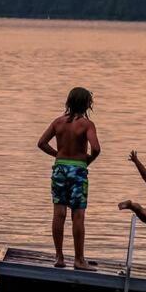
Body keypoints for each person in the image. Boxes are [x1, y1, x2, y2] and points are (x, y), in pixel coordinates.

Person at [37, 87, 101, 270]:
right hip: (78, 171)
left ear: (69, 102)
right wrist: (87, 160)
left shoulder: (58, 122)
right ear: (87, 104)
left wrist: (58, 155)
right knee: (78, 215)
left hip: (59, 170)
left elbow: (41, 143)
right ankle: (79, 260)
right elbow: (96, 148)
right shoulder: (87, 125)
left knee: (59, 214)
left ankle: (59, 257)